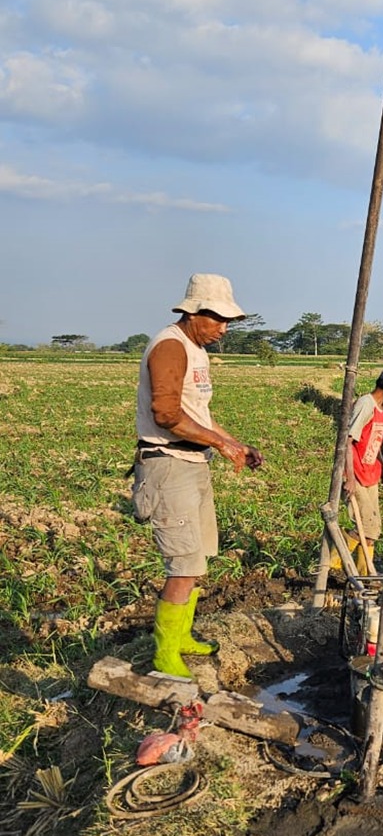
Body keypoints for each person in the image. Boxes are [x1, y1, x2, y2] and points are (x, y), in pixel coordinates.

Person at [133, 274, 263, 678]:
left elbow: (199, 416)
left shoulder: (196, 349)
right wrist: (222, 446)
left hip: (193, 463)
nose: (223, 329)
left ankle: (182, 635)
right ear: (193, 312)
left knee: (198, 557)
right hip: (168, 465)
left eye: (228, 321)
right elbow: (167, 415)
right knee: (183, 563)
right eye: (217, 319)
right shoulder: (171, 346)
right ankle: (165, 654)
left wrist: (234, 443)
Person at [342, 367, 383, 572]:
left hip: (371, 474)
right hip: (357, 473)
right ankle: (330, 564)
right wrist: (349, 477)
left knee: (372, 530)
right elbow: (348, 441)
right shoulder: (365, 404)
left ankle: (364, 575)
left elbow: (374, 442)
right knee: (365, 527)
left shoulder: (382, 409)